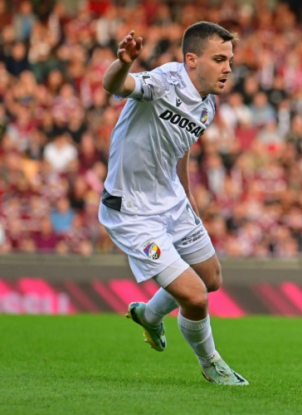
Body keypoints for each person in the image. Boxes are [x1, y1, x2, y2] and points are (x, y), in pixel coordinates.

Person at [100, 22, 247, 385]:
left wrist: (188, 194)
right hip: (133, 210)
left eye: (230, 59)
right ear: (192, 60)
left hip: (172, 201)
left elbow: (178, 149)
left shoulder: (208, 105)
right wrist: (123, 63)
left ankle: (149, 315)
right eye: (219, 59)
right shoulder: (164, 82)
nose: (229, 67)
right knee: (196, 298)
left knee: (210, 278)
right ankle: (211, 362)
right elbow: (114, 85)